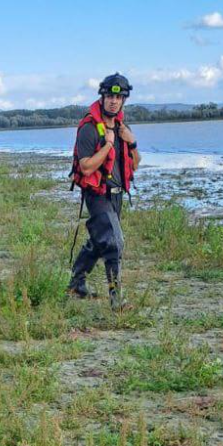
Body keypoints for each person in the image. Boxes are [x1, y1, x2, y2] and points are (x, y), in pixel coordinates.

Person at [67, 73, 141, 310]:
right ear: (102, 97)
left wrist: (132, 142)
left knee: (100, 241)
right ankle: (116, 301)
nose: (113, 101)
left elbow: (135, 163)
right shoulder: (89, 128)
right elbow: (86, 167)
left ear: (124, 100)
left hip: (117, 195)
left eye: (118, 97)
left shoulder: (122, 128)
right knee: (114, 242)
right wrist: (108, 144)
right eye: (110, 96)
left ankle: (75, 284)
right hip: (97, 194)